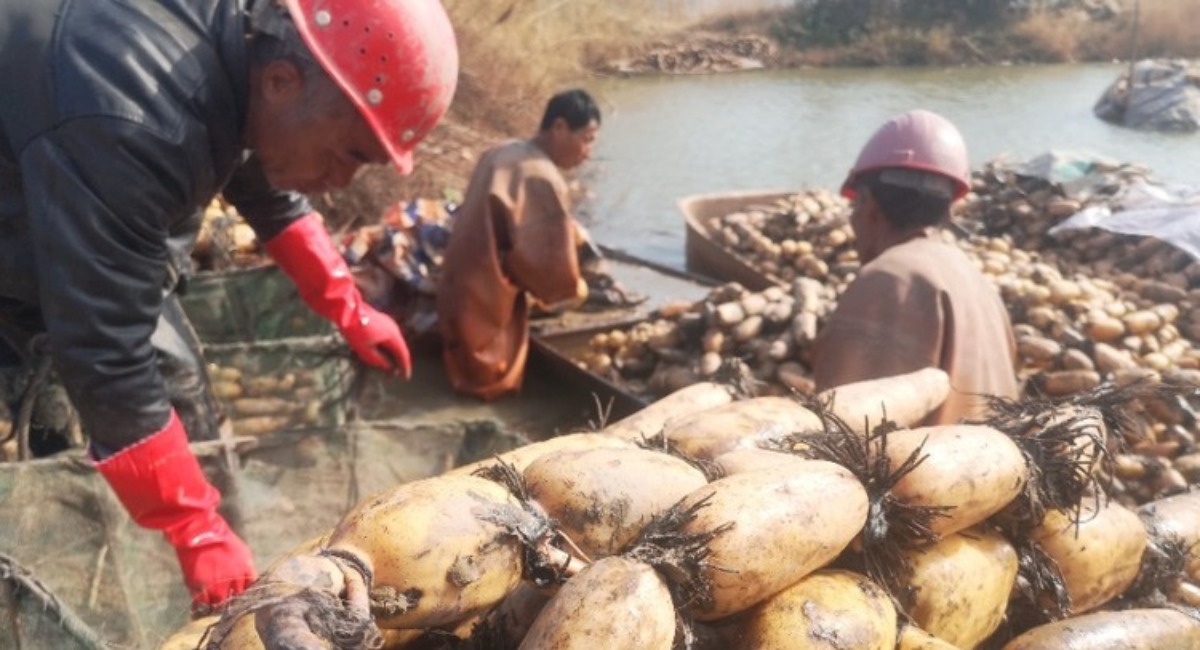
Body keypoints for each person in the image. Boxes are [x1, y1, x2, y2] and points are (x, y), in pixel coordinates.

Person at [0, 0, 457, 609]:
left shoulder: (241, 55)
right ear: (281, 81)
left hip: (63, 197)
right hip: (29, 220)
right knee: (63, 412)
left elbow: (268, 184)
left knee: (176, 385)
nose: (346, 182)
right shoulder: (135, 112)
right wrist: (195, 527)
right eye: (350, 154)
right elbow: (105, 349)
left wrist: (348, 306)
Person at [812, 109, 1019, 425]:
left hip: (927, 474)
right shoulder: (975, 279)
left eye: (855, 206)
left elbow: (845, 432)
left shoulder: (888, 280)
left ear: (868, 205)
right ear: (949, 210)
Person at [436, 89, 601, 400]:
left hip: (455, 288)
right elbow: (549, 268)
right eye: (587, 139)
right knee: (491, 386)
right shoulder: (541, 175)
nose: (588, 152)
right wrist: (573, 287)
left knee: (462, 370)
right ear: (560, 128)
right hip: (485, 303)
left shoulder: (504, 151)